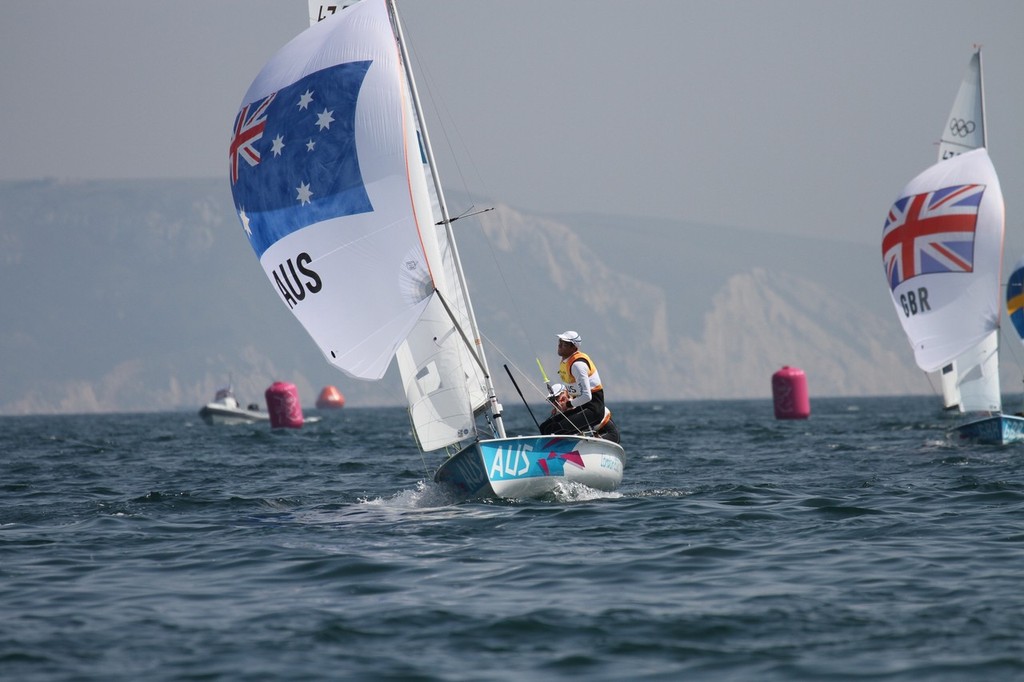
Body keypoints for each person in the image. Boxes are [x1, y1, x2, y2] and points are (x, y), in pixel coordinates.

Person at [539, 330, 619, 442]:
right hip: (582, 407)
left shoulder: (578, 364)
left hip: (593, 409)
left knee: (553, 429)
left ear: (574, 348)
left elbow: (587, 396)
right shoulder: (565, 362)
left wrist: (567, 404)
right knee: (544, 427)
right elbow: (574, 388)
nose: (560, 345)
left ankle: (559, 454)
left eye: (565, 343)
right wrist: (563, 402)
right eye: (560, 341)